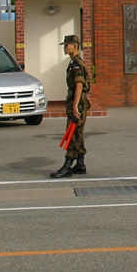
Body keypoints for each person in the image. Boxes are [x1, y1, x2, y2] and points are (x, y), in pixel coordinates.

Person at [50, 35, 91, 178]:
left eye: (66, 45)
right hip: (77, 102)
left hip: (78, 103)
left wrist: (75, 106)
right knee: (77, 133)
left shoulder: (77, 64)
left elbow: (79, 85)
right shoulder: (74, 62)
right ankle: (80, 165)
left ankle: (67, 164)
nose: (64, 47)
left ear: (75, 46)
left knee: (72, 133)